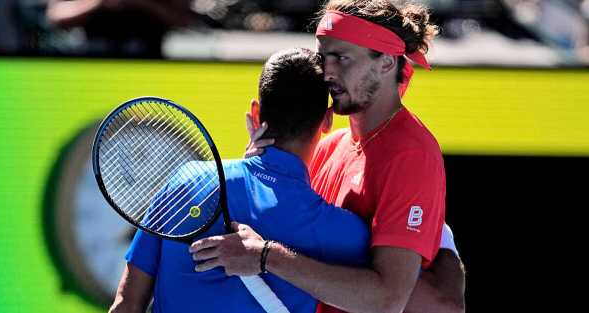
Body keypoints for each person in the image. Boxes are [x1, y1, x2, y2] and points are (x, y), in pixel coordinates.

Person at [191, 1, 465, 313]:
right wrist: (257, 171)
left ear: (387, 63)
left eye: (342, 58)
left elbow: (387, 300)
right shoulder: (329, 145)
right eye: (323, 57)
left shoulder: (411, 155)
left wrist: (266, 256)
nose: (326, 72)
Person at [109, 48, 372, 313]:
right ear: (327, 122)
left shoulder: (185, 181)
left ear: (256, 114)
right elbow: (387, 297)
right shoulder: (346, 233)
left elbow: (126, 305)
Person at [46, 0, 193, 58]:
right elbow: (55, 16)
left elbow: (183, 20)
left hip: (148, 72)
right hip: (91, 72)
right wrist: (98, 3)